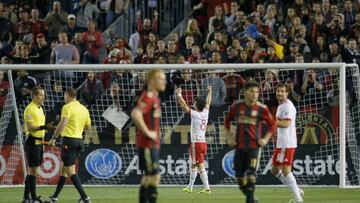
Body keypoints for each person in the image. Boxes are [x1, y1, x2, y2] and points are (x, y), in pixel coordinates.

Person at [224, 82, 276, 203]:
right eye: (252, 91)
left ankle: (249, 200)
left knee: (251, 172)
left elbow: (272, 125)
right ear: (245, 92)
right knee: (239, 176)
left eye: (257, 92)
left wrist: (265, 139)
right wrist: (229, 137)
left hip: (254, 146)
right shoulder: (237, 107)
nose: (255, 94)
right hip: (240, 146)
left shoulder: (262, 109)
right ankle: (251, 198)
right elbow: (227, 121)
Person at [47, 88, 91, 203]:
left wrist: (54, 138)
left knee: (70, 171)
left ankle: (85, 198)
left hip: (69, 141)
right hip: (79, 141)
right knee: (64, 170)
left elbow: (63, 123)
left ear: (69, 96)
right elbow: (87, 126)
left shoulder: (67, 107)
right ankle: (55, 197)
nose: (64, 98)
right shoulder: (84, 109)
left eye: (65, 96)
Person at [131, 69, 166, 203]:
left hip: (150, 144)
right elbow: (135, 113)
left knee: (147, 177)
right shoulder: (149, 97)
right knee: (154, 176)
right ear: (151, 81)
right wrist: (148, 132)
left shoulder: (155, 97)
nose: (164, 82)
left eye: (164, 79)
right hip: (148, 144)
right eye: (160, 79)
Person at [271, 83, 304, 203]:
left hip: (287, 142)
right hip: (281, 143)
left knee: (285, 170)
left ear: (287, 93)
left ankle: (298, 199)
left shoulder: (288, 106)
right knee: (274, 170)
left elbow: (286, 124)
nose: (279, 93)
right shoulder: (281, 106)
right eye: (278, 91)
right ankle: (296, 189)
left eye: (282, 91)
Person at [176, 86, 212, 194]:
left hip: (196, 143)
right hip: (202, 143)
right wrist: (210, 91)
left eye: (194, 102)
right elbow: (208, 103)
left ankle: (207, 188)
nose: (193, 104)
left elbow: (184, 106)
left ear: (197, 105)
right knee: (193, 164)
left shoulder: (196, 114)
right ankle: (190, 187)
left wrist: (179, 94)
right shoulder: (205, 113)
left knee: (200, 166)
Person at [23, 86, 54, 203]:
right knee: (32, 171)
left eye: (44, 95)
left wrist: (48, 128)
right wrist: (44, 127)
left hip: (39, 142)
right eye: (41, 95)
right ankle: (34, 198)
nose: (43, 97)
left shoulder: (40, 108)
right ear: (35, 96)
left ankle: (26, 198)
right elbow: (30, 128)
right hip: (32, 142)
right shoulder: (29, 109)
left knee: (32, 170)